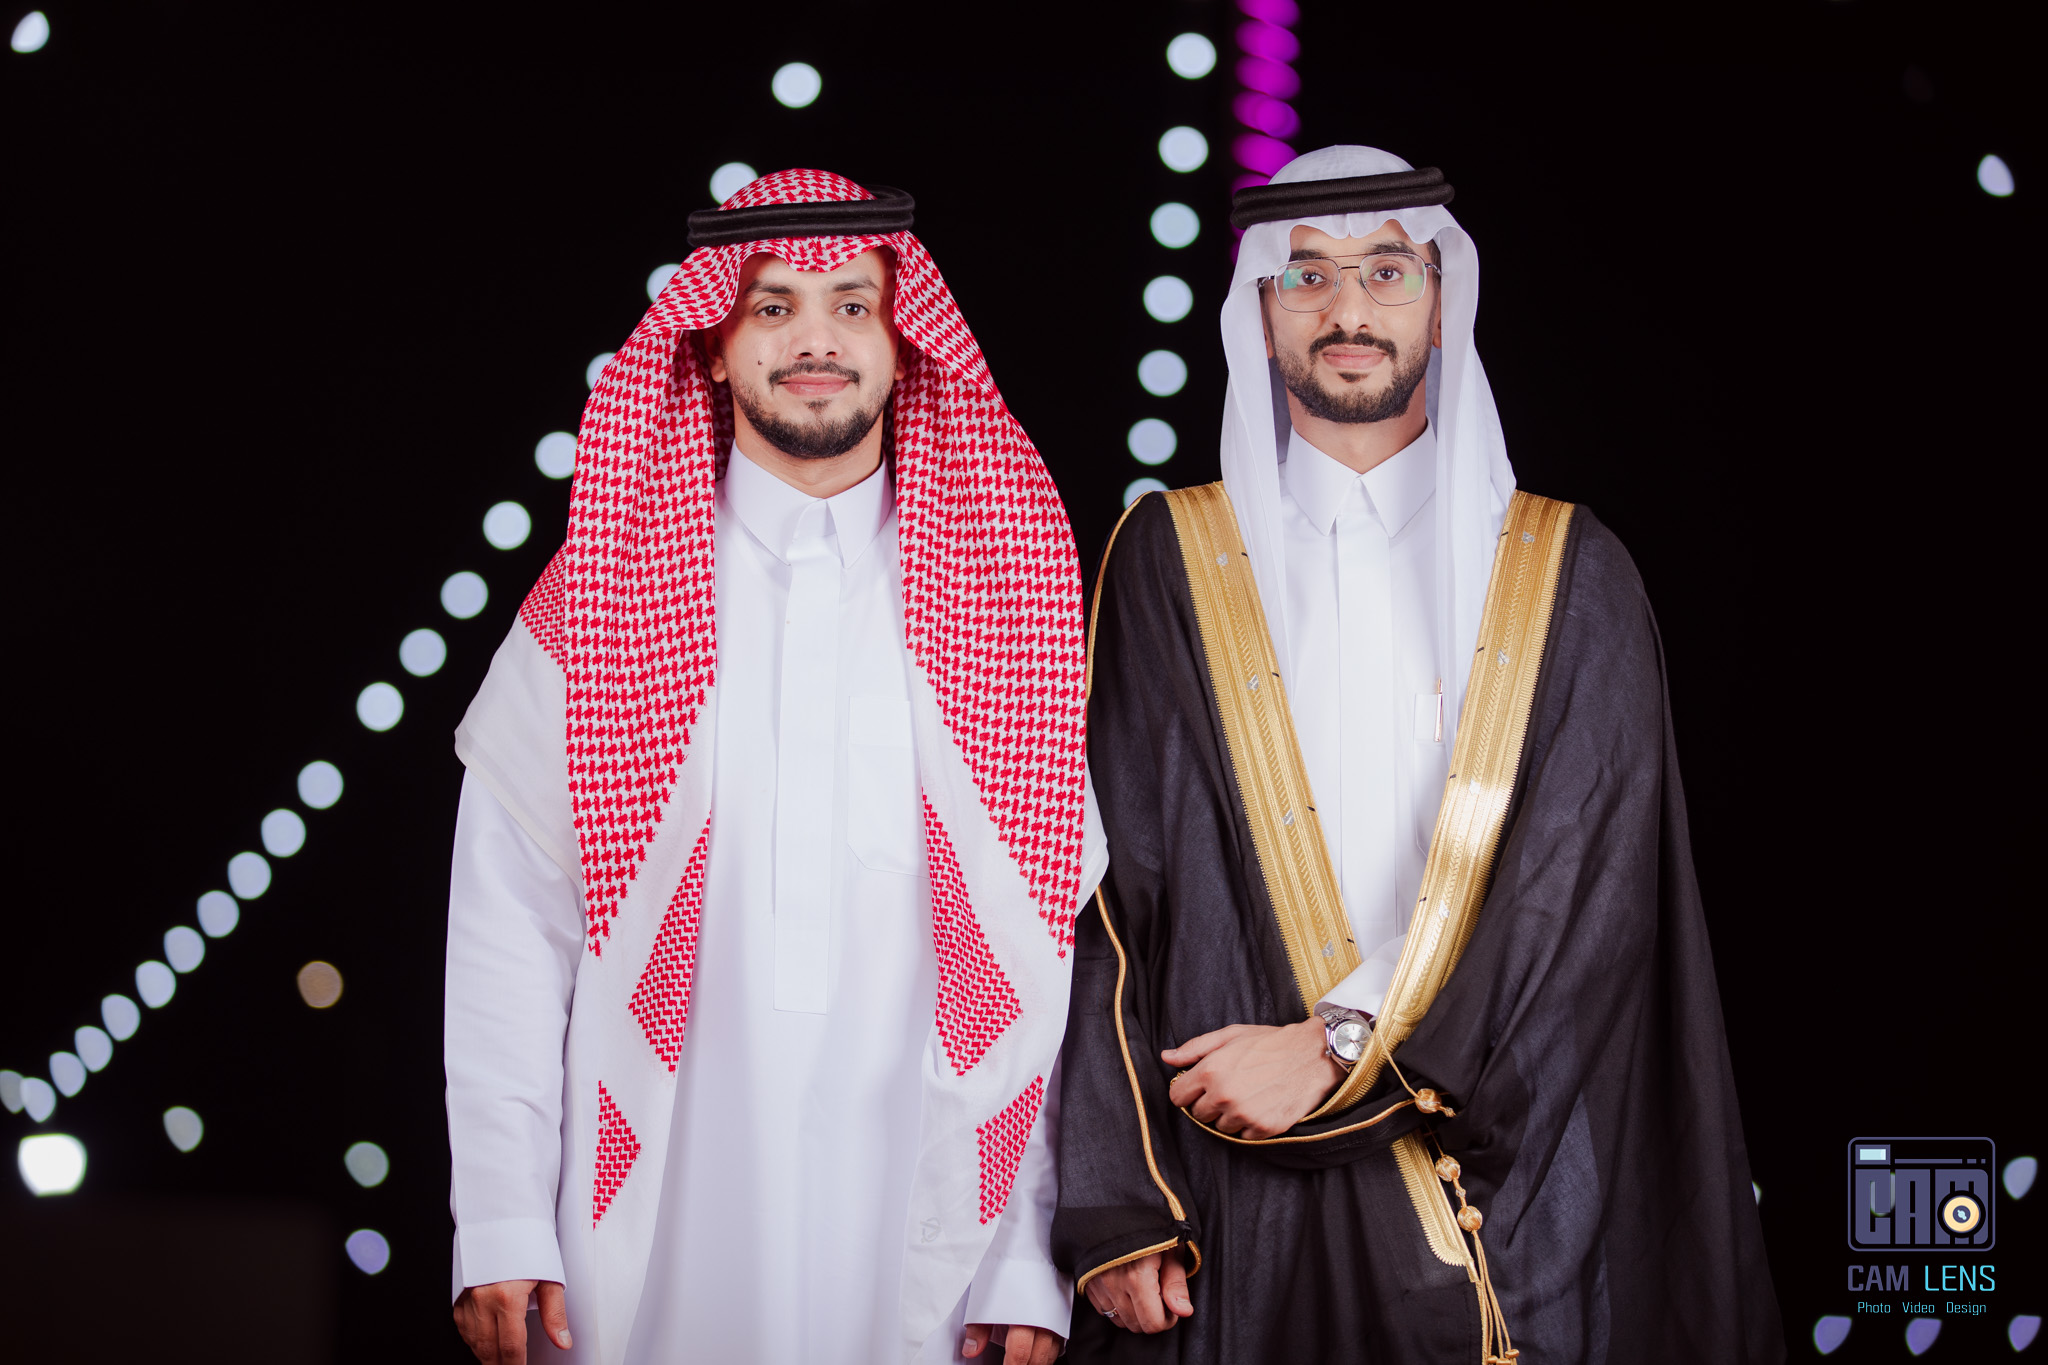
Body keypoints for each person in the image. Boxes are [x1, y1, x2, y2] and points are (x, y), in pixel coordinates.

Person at [1053, 146, 1782, 1362]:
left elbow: (1581, 903)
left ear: (1442, 303)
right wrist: (1119, 1199)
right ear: (1258, 312)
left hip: (1494, 1193)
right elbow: (1106, 896)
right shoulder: (1167, 561)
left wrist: (1335, 1043)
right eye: (1307, 276)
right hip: (1228, 1196)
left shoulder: (1565, 572)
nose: (1347, 309)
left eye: (1386, 271)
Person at [444, 169, 1105, 1365]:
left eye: (853, 305)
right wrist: (498, 1212)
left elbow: (1043, 959)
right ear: (709, 346)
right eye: (772, 306)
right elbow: (509, 928)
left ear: (905, 347)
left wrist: (1025, 1253)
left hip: (925, 1238)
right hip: (650, 1222)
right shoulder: (597, 601)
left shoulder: (1007, 602)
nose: (815, 339)